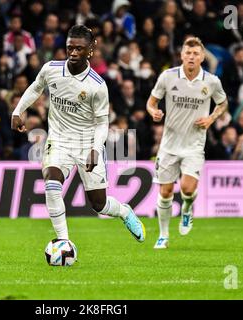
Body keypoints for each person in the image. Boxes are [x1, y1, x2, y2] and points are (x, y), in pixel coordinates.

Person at [11, 25, 145, 244]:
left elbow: (103, 122)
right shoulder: (51, 69)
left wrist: (94, 150)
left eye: (79, 49)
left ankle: (123, 211)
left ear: (90, 50)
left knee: (98, 204)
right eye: (69, 48)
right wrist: (18, 110)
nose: (73, 53)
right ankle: (64, 242)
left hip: (87, 143)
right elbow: (36, 87)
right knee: (51, 184)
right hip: (59, 140)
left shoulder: (97, 85)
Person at [146, 37, 228, 249]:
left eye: (196, 54)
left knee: (187, 189)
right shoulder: (168, 76)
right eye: (188, 53)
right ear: (181, 55)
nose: (191, 57)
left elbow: (223, 103)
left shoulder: (211, 81)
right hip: (169, 145)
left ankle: (187, 209)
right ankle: (163, 235)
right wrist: (153, 112)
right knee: (164, 193)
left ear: (202, 57)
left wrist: (211, 119)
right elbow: (151, 101)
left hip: (194, 145)